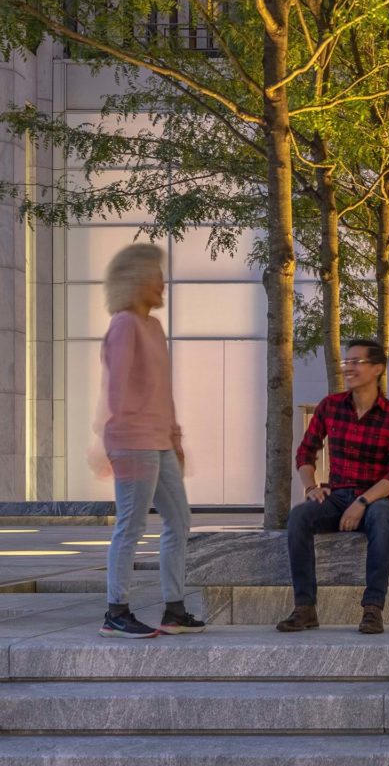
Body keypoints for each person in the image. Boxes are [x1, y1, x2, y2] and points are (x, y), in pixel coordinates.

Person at [97, 244, 203, 639]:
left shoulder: (154, 328)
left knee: (179, 519)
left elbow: (162, 392)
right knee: (132, 525)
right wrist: (110, 443)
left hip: (159, 441)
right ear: (137, 280)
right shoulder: (124, 324)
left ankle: (174, 609)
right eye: (157, 276)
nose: (163, 283)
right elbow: (116, 390)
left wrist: (176, 439)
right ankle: (115, 611)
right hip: (132, 441)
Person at [276, 339, 389, 635]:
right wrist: (311, 487)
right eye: (346, 362)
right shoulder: (331, 406)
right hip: (336, 496)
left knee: (383, 517)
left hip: (375, 498)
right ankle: (305, 608)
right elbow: (306, 451)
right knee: (299, 516)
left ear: (377, 369)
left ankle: (373, 608)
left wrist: (361, 502)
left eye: (356, 362)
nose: (348, 368)